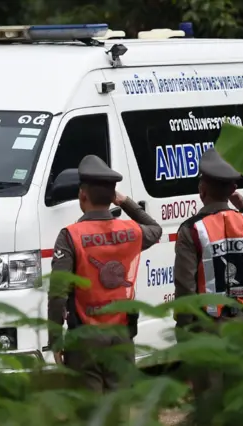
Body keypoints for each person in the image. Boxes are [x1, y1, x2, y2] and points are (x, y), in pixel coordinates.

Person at [173, 148, 243, 423]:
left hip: (204, 328)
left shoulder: (191, 229)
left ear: (202, 188)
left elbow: (185, 288)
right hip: (239, 326)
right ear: (233, 188)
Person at [47, 154, 162, 394]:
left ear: (82, 194)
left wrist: (55, 338)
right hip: (122, 338)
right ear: (111, 198)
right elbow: (156, 229)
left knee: (91, 412)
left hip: (85, 341)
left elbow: (58, 292)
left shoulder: (70, 236)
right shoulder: (131, 232)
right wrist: (126, 202)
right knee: (119, 409)